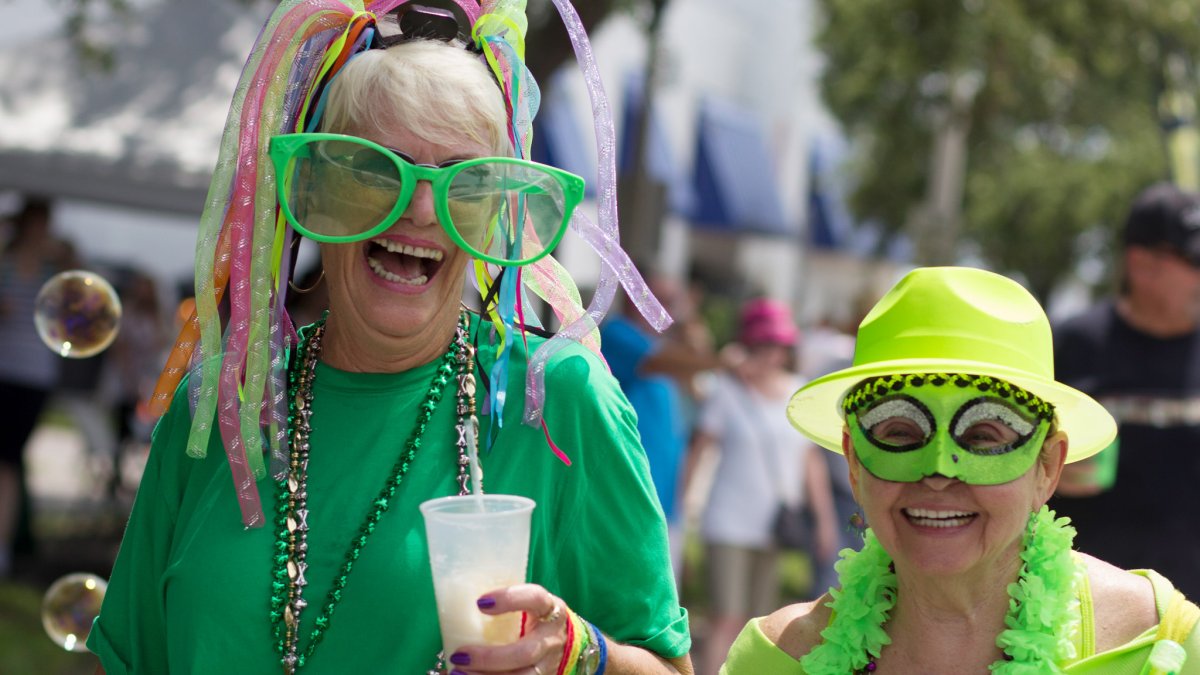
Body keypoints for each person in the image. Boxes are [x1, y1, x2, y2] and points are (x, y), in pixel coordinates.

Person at [88, 2, 692, 674]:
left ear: (495, 215)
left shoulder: (554, 402)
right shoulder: (223, 402)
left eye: (464, 184)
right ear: (312, 188)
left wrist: (580, 652)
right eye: (375, 169)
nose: (419, 210)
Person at [722, 267, 1200, 674]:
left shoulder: (1158, 648)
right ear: (853, 462)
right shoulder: (779, 660)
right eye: (900, 433)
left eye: (983, 435)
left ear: (1048, 466)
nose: (937, 473)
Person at [1051, 182, 1200, 601]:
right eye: (1194, 259)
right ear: (1140, 263)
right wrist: (1048, 472)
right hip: (1087, 611)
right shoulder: (1071, 345)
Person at [690, 297, 837, 675]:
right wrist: (675, 514)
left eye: (778, 347)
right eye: (764, 346)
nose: (772, 355)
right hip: (727, 521)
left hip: (772, 524)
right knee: (726, 616)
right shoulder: (727, 390)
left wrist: (823, 519)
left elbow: (810, 462)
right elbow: (700, 448)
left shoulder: (796, 389)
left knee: (761, 624)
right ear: (749, 346)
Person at [599, 265, 718, 580]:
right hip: (629, 491)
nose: (667, 308)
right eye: (660, 299)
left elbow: (696, 386)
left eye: (671, 300)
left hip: (665, 496)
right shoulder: (617, 332)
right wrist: (724, 363)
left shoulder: (667, 348)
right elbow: (663, 362)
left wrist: (690, 326)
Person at [0, 195, 76, 577]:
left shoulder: (54, 267)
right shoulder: (6, 264)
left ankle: (3, 546)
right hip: (5, 368)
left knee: (9, 458)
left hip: (32, 375)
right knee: (8, 459)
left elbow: (77, 299)